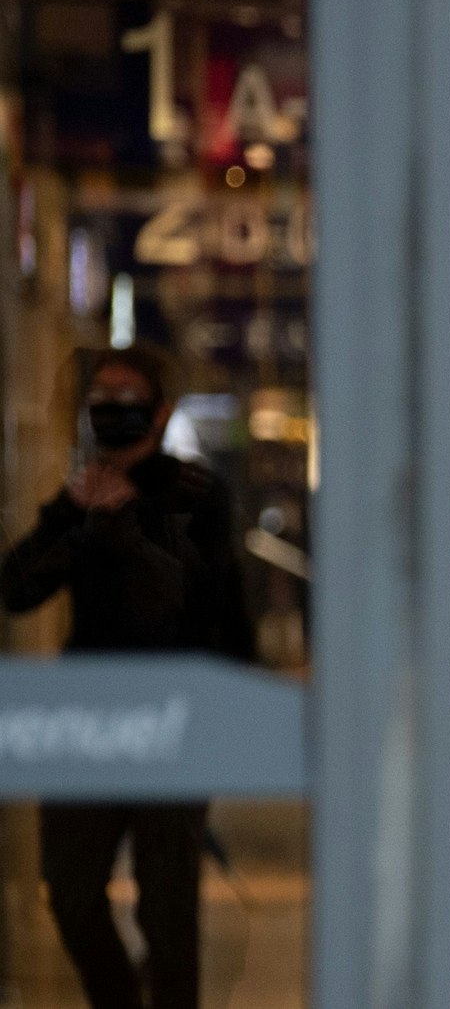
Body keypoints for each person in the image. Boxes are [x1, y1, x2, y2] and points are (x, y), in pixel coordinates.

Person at [1, 346, 255, 1009]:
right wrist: (76, 519)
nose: (112, 405)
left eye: (127, 392)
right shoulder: (81, 496)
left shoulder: (195, 495)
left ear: (160, 409)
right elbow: (19, 586)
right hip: (90, 719)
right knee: (72, 890)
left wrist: (115, 524)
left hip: (175, 719)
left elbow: (178, 599)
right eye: (102, 394)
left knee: (168, 909)